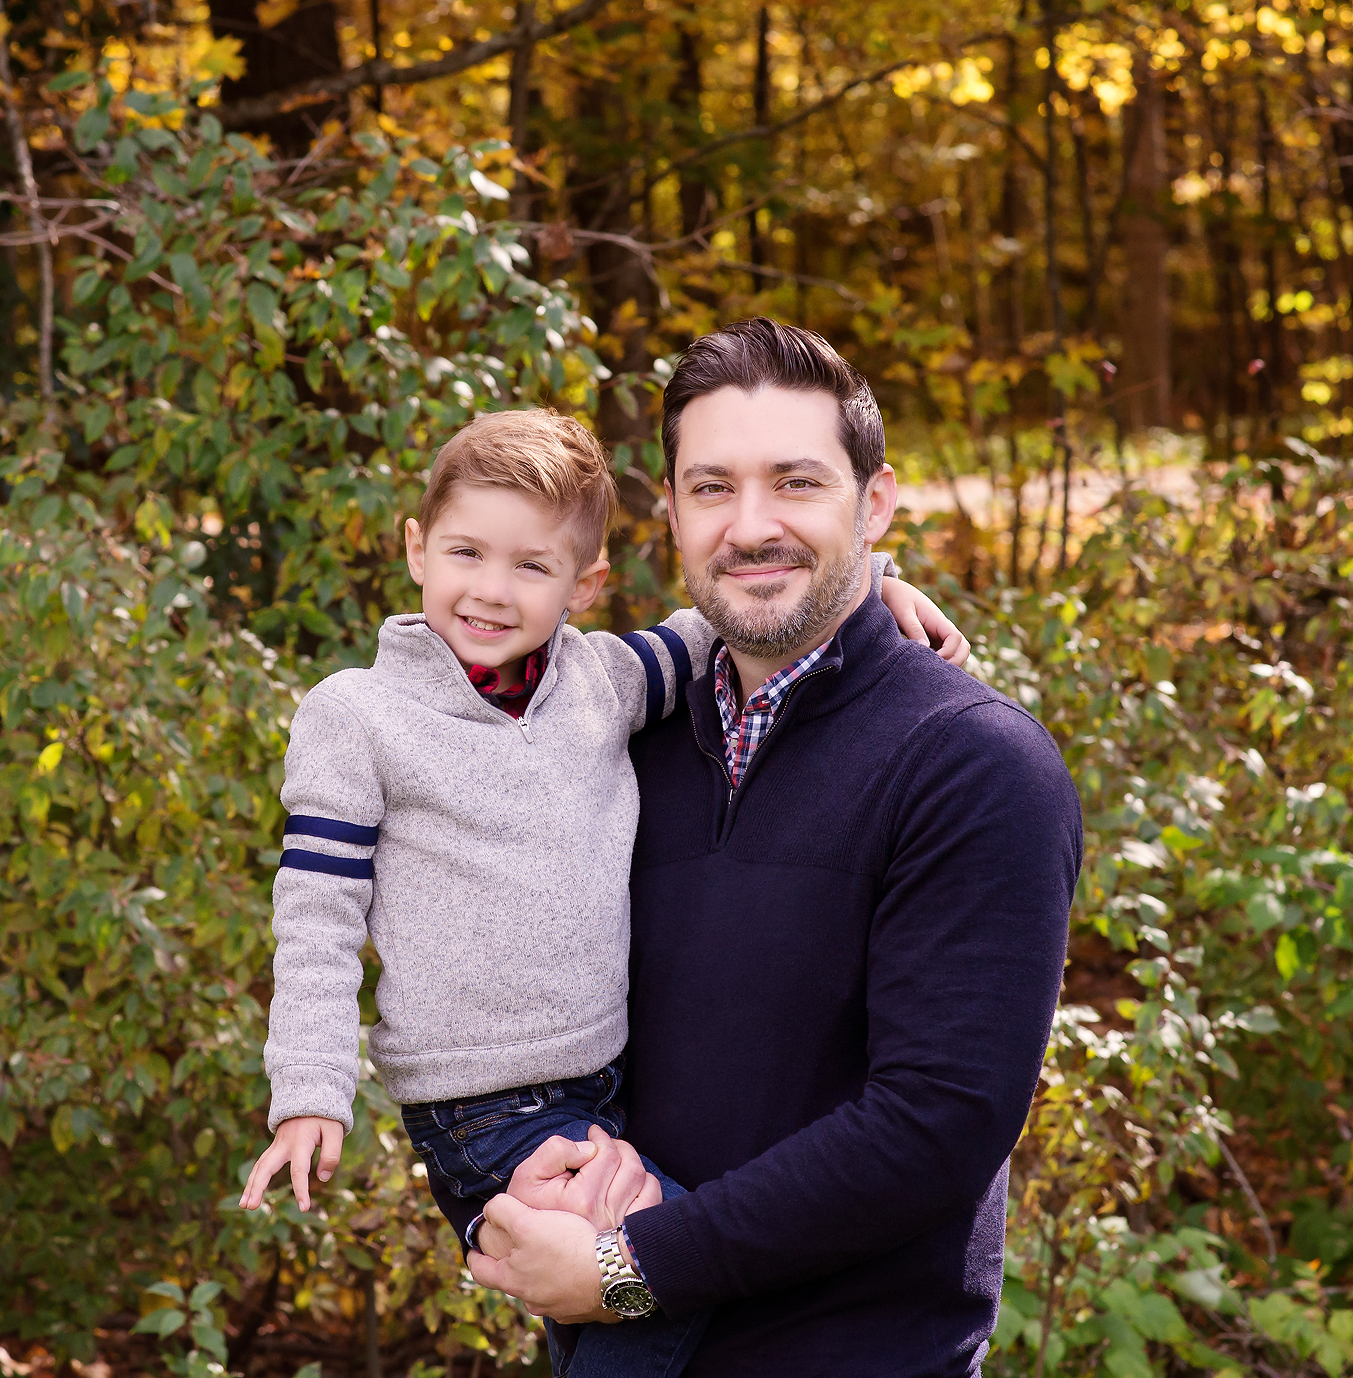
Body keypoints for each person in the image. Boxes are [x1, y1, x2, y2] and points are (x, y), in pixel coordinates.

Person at [236, 407, 968, 1377]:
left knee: (597, 1308)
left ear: (585, 585)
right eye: (466, 553)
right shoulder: (358, 718)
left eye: (532, 568)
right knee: (655, 1274)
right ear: (417, 549)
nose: (491, 592)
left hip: (607, 1083)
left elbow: (721, 621)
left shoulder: (603, 682)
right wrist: (309, 1091)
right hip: (480, 1103)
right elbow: (317, 917)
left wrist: (871, 582)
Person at [463, 320, 1084, 1378]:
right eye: (712, 488)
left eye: (796, 483)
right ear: (671, 512)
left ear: (875, 502)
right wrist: (522, 1180)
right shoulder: (615, 740)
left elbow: (936, 1126)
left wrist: (633, 1266)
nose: (751, 526)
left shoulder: (974, 766)